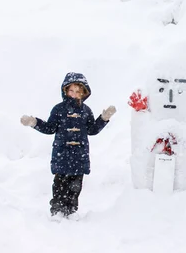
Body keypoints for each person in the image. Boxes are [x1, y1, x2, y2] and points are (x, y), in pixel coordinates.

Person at [20, 72, 116, 217]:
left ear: (84, 93)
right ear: (65, 90)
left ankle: (71, 211)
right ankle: (57, 210)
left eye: (78, 91)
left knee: (75, 187)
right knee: (59, 184)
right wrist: (34, 122)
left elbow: (92, 130)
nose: (74, 94)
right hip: (62, 154)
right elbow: (49, 128)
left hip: (79, 155)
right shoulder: (59, 109)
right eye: (71, 90)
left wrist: (104, 118)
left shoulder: (86, 110)